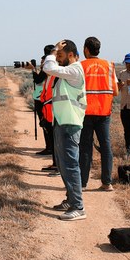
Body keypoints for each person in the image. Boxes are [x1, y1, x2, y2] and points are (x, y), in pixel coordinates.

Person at [42, 40, 87, 221]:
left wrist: (53, 52)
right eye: (57, 56)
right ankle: (70, 200)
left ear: (70, 55)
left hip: (70, 123)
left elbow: (48, 68)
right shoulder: (69, 71)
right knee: (63, 165)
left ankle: (78, 207)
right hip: (62, 122)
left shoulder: (75, 70)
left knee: (70, 165)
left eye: (60, 56)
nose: (58, 59)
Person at [79, 37, 118, 191]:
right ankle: (107, 182)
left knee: (85, 147)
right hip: (104, 111)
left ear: (86, 49)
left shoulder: (81, 66)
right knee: (106, 146)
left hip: (85, 112)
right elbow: (115, 91)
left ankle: (82, 183)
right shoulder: (109, 65)